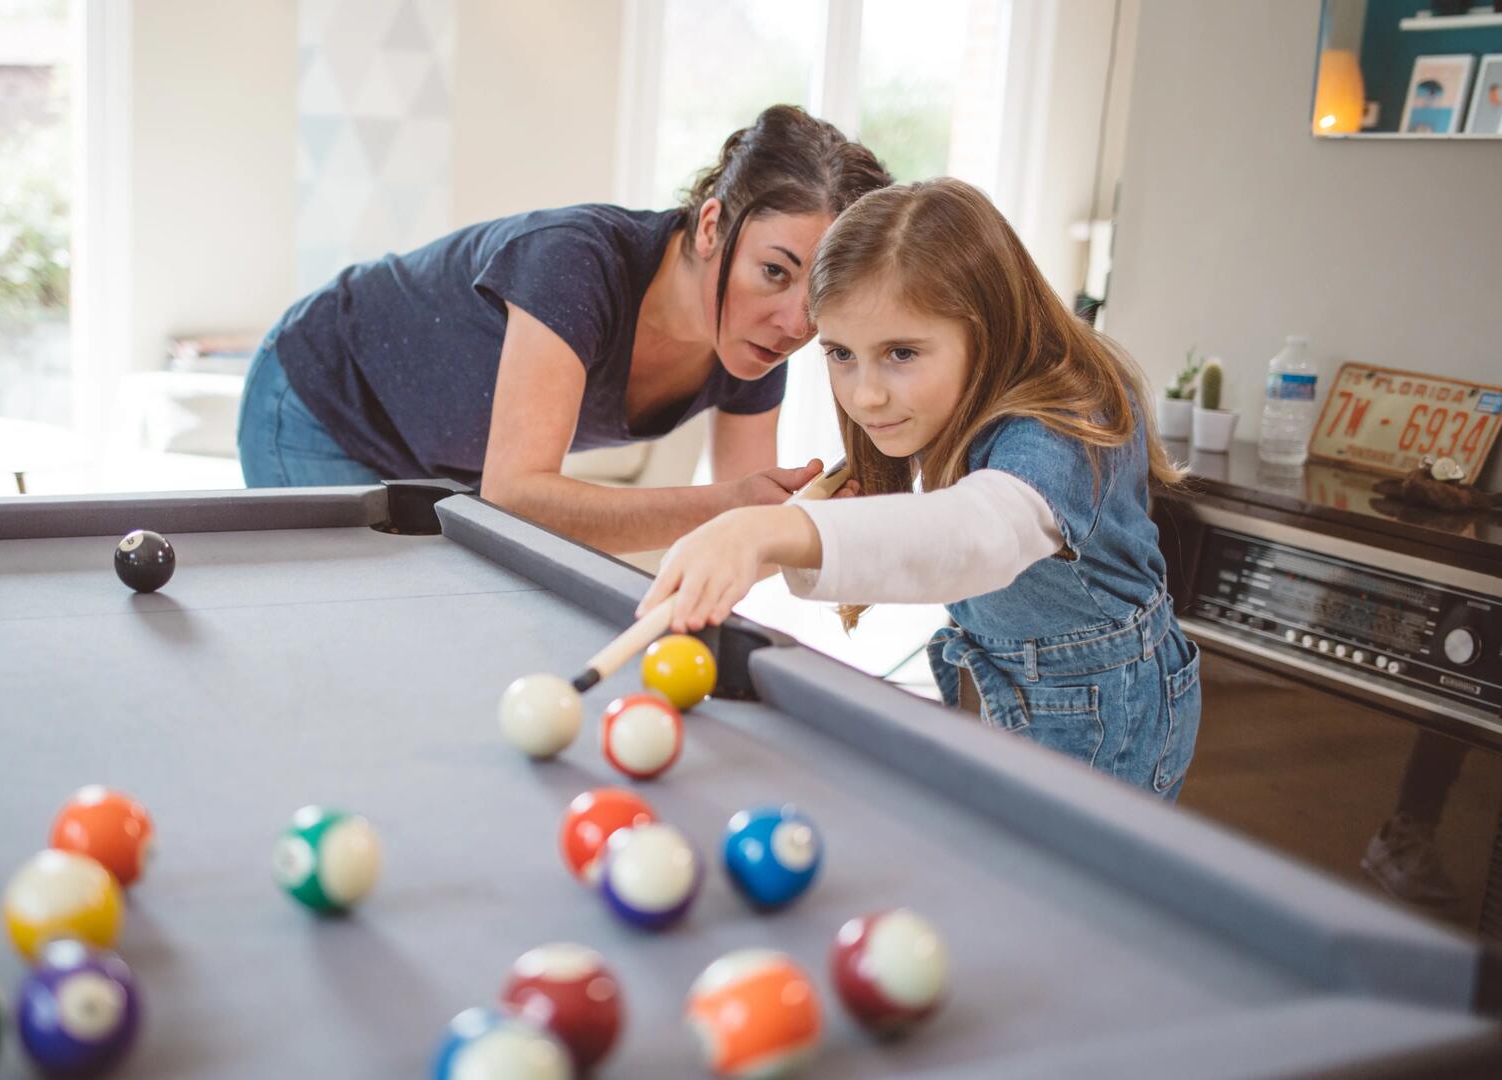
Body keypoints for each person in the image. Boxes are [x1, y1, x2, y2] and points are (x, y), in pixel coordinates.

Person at [636, 178, 1202, 798]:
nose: (865, 394)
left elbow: (975, 534)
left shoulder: (1067, 418)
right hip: (1014, 689)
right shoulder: (964, 389)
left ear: (986, 329)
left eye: (901, 353)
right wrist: (744, 552)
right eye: (841, 353)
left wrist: (765, 529)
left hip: (1112, 716)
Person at [238, 105, 892, 553]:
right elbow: (516, 498)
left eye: (820, 293)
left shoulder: (752, 339)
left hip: (441, 462)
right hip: (320, 400)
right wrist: (728, 507)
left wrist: (807, 529)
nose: (794, 325)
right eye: (775, 272)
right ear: (714, 224)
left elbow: (752, 530)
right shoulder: (577, 261)